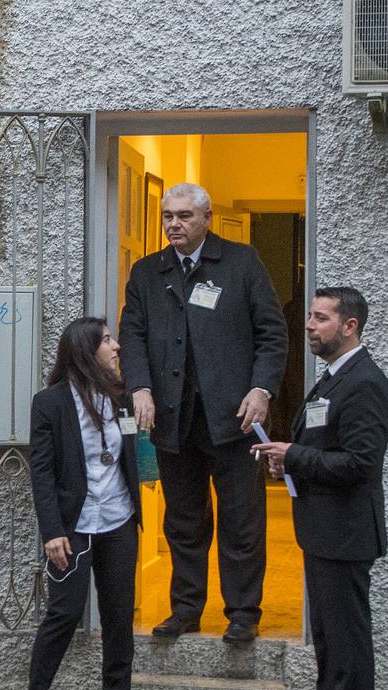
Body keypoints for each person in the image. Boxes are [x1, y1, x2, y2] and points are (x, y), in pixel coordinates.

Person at [118, 183, 288, 644]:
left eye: (184, 216)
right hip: (174, 420)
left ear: (207, 217)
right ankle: (186, 609)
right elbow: (131, 337)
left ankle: (242, 614)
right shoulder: (147, 273)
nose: (174, 224)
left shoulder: (241, 262)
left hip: (235, 419)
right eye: (168, 216)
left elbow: (272, 334)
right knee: (183, 522)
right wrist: (140, 387)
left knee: (242, 521)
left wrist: (262, 389)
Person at [251, 287, 388, 690]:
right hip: (323, 529)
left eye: (320, 318)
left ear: (349, 326)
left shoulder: (364, 381)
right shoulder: (333, 378)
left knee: (348, 639)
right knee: (329, 637)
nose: (308, 325)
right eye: (309, 316)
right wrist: (288, 463)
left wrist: (294, 455)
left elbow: (359, 462)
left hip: (346, 533)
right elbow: (324, 446)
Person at [21, 317, 142, 690]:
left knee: (119, 617)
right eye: (107, 340)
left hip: (119, 521)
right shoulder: (50, 402)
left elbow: (133, 454)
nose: (115, 347)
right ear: (86, 351)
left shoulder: (121, 399)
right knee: (65, 613)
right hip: (73, 527)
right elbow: (41, 472)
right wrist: (52, 531)